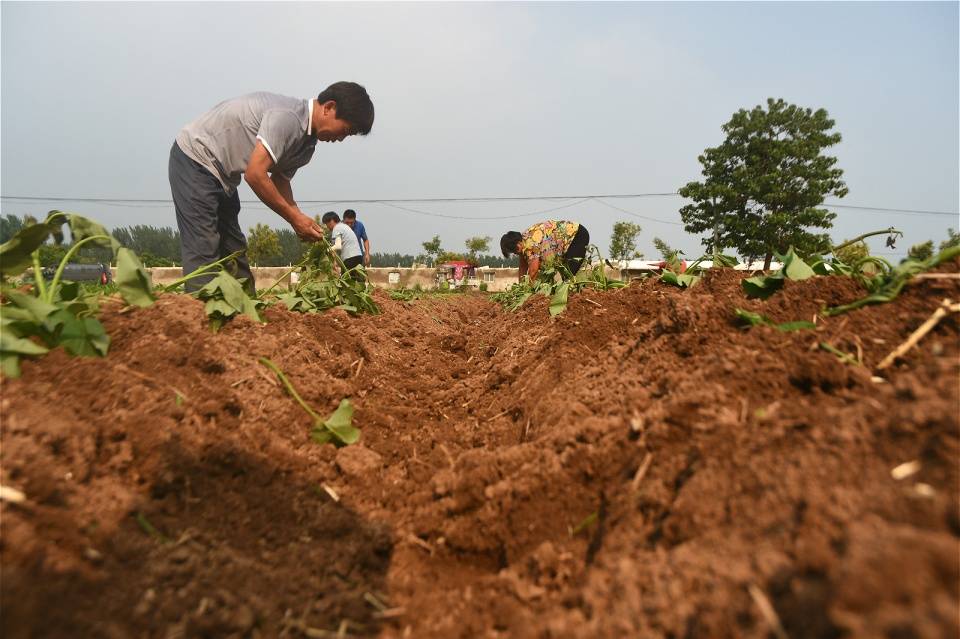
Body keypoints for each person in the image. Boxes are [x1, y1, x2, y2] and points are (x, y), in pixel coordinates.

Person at [169, 82, 374, 292]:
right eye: (345, 130)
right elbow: (255, 174)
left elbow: (280, 180)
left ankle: (246, 318)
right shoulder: (288, 119)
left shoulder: (307, 147)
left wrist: (300, 218)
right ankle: (199, 316)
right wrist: (294, 219)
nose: (340, 138)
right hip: (195, 157)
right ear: (329, 107)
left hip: (224, 176)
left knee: (234, 250)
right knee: (204, 249)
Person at [500, 220, 590, 281]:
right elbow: (523, 267)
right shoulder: (524, 241)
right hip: (570, 241)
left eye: (515, 250)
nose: (516, 253)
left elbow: (533, 270)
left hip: (576, 236)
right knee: (565, 276)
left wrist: (528, 291)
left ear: (518, 243)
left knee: (568, 276)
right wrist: (520, 287)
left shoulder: (530, 243)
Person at [321, 211, 364, 280]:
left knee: (346, 282)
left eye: (326, 224)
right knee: (355, 281)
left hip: (350, 258)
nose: (327, 227)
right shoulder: (343, 226)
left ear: (331, 221)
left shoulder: (337, 228)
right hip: (358, 257)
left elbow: (338, 246)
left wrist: (326, 251)